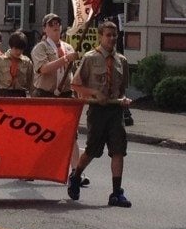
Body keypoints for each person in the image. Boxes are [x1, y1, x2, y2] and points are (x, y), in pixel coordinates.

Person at [69, 20, 133, 207]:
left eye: (115, 35)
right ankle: (76, 175)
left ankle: (116, 192)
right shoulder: (90, 58)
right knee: (92, 150)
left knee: (118, 150)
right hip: (97, 110)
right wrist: (95, 93)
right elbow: (76, 84)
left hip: (115, 111)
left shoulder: (122, 60)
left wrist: (124, 100)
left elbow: (122, 89)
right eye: (108, 35)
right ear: (100, 36)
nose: (112, 38)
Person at [30, 13, 88, 186]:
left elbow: (74, 74)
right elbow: (43, 69)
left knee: (71, 136)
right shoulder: (40, 48)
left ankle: (76, 173)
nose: (55, 26)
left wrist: (79, 93)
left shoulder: (69, 48)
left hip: (65, 96)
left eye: (58, 23)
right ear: (45, 29)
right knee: (39, 133)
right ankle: (32, 169)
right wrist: (64, 60)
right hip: (45, 95)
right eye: (51, 24)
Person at [0, 30, 33, 97]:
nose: (18, 52)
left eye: (21, 49)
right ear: (11, 46)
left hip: (20, 94)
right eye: (16, 49)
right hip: (2, 94)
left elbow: (32, 84)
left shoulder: (27, 62)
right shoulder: (0, 60)